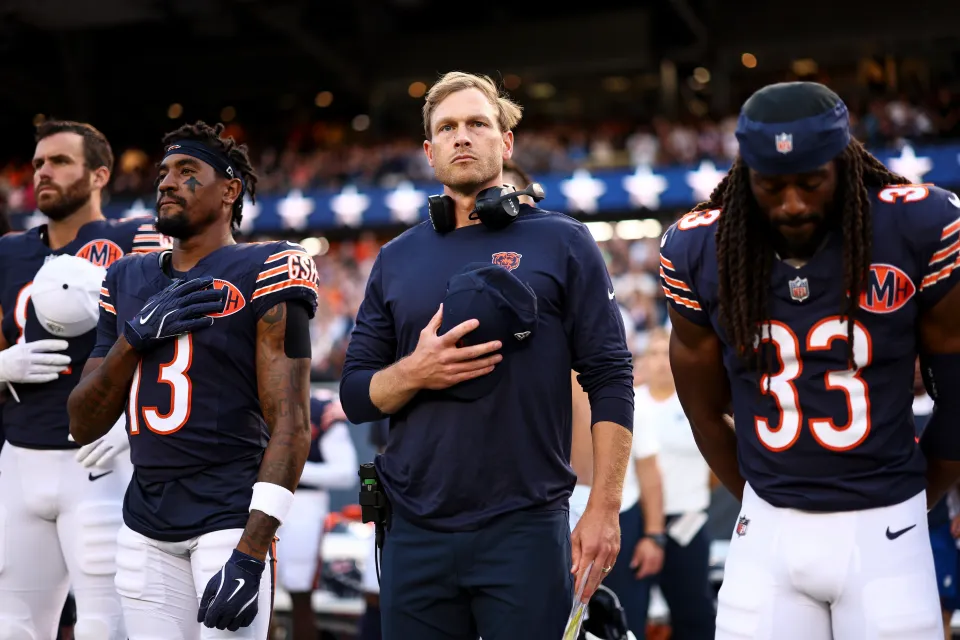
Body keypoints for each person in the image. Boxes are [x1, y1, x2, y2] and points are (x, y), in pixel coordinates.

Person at [339, 71, 635, 640]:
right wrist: (415, 371)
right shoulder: (396, 259)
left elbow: (610, 376)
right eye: (446, 128)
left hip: (525, 527)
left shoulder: (565, 242)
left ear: (506, 141)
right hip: (413, 529)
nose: (462, 136)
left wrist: (604, 506)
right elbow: (356, 395)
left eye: (477, 123)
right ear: (429, 151)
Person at [660, 80, 960, 639]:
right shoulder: (699, 247)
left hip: (886, 527)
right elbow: (703, 411)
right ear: (746, 176)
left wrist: (913, 501)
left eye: (811, 182)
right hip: (769, 530)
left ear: (843, 167)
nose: (792, 203)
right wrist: (763, 500)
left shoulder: (915, 224)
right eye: (772, 187)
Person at [67, 120, 320, 639]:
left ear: (230, 190)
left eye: (187, 172)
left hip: (228, 518)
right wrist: (132, 340)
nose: (165, 182)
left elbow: (292, 424)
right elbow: (83, 421)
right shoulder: (127, 277)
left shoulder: (268, 265)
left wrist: (250, 553)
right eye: (163, 173)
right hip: (143, 523)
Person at [0, 120, 166, 640]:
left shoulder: (137, 237)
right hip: (19, 457)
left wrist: (134, 420)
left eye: (59, 161)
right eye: (38, 164)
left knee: (105, 626)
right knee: (14, 626)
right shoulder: (7, 251)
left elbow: (177, 342)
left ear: (99, 174)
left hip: (100, 461)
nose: (43, 173)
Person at [634, 328, 715, 639]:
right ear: (643, 360)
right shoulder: (629, 402)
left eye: (665, 352)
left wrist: (691, 493)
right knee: (631, 611)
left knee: (693, 612)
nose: (660, 361)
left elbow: (716, 467)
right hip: (637, 523)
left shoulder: (696, 404)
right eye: (653, 353)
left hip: (686, 522)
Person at [274, 390, 357, 640]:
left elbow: (345, 473)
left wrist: (287, 470)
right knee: (251, 591)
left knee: (300, 593)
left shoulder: (319, 407)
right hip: (250, 498)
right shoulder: (246, 394)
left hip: (302, 505)